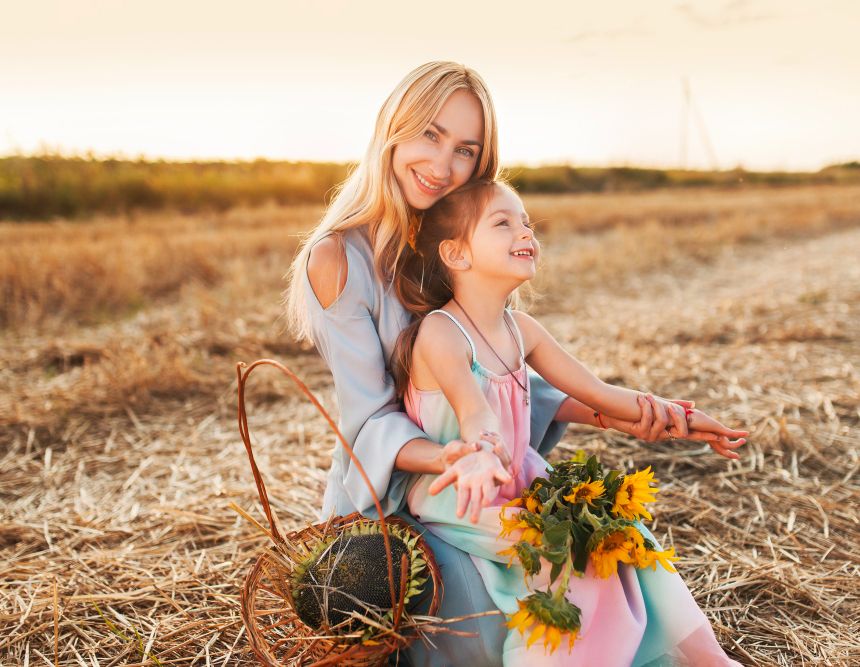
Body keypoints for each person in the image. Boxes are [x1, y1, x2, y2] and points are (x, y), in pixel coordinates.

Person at [285, 61, 723, 665]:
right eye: (430, 135)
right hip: (406, 491)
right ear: (393, 127)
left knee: (619, 545)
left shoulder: (456, 241)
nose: (443, 166)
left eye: (465, 150)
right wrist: (462, 456)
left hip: (487, 470)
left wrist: (628, 414)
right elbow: (368, 423)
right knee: (494, 622)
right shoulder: (338, 259)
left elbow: (500, 381)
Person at [392, 177, 747, 666]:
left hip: (517, 481)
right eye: (503, 223)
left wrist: (678, 416)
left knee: (625, 536)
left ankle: (701, 658)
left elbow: (600, 394)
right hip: (459, 493)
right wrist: (480, 455)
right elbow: (476, 412)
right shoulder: (440, 331)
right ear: (456, 254)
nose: (525, 233)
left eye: (527, 223)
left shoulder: (524, 330)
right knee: (571, 555)